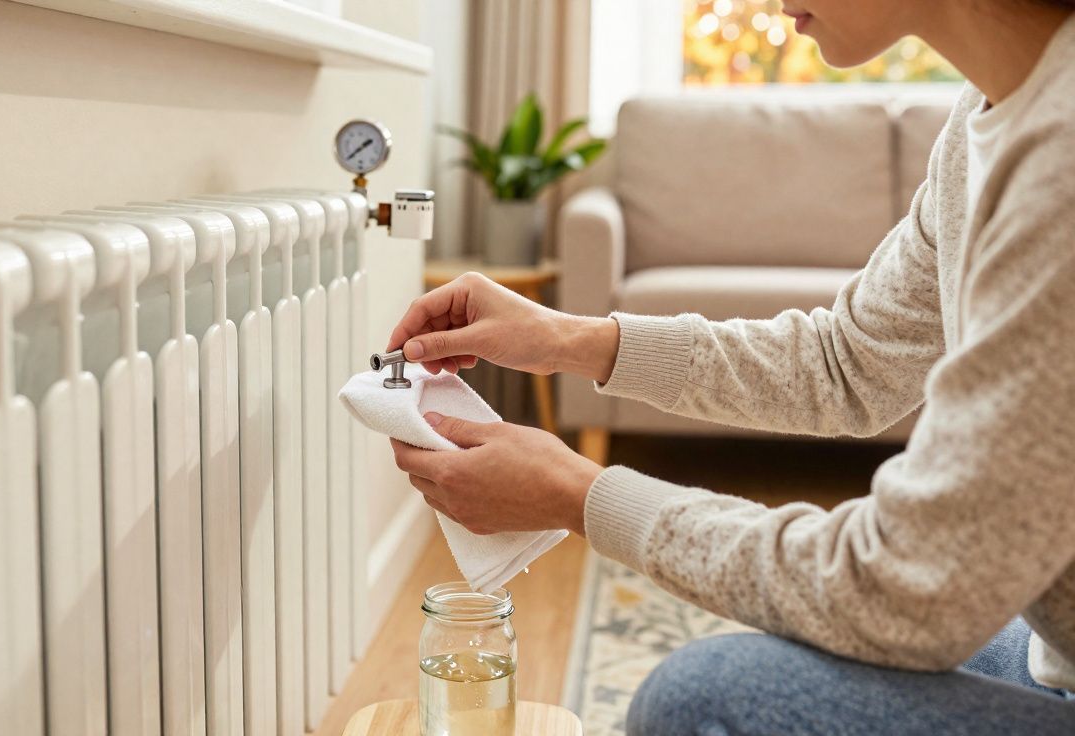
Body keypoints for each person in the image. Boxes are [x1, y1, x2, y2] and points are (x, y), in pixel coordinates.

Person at [386, 1, 1075, 733]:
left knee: (705, 700)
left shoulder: (1059, 164)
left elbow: (904, 590)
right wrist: (568, 338)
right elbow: (848, 362)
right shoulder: (987, 116)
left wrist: (578, 494)